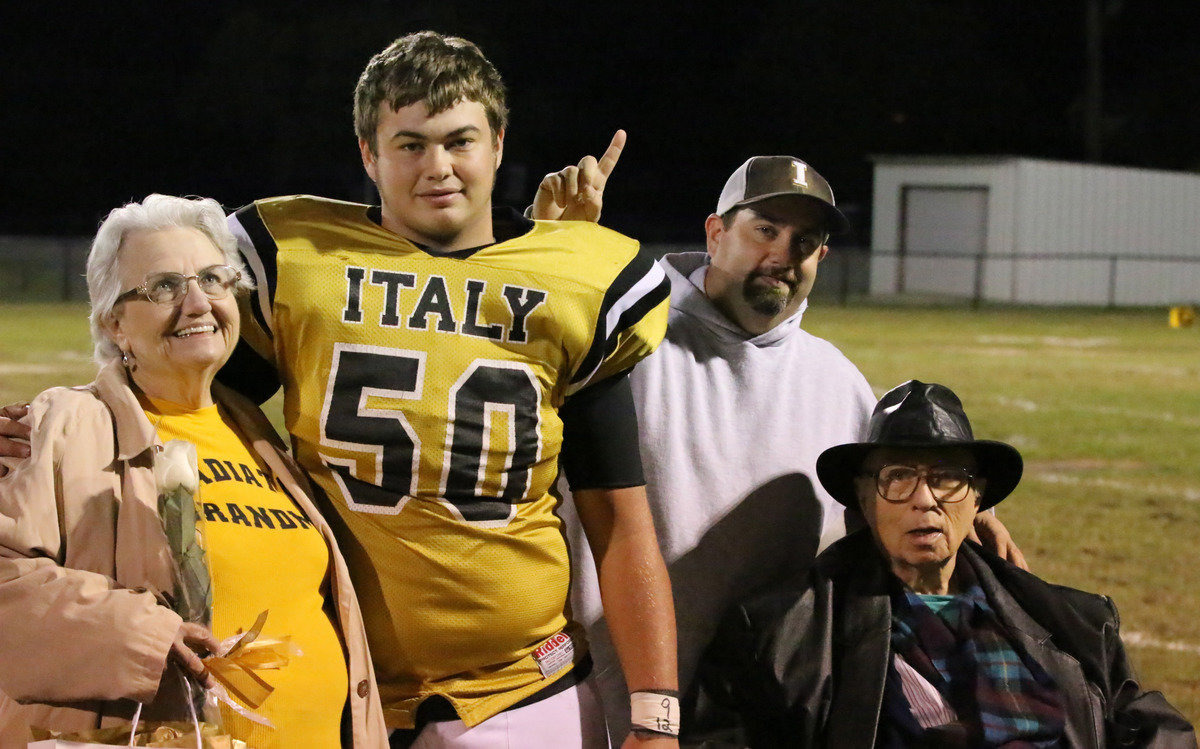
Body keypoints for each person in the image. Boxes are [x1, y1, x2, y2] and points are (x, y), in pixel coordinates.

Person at [219, 32, 677, 747]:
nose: (438, 167)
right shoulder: (300, 259)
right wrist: (60, 430)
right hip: (336, 674)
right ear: (368, 155)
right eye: (409, 144)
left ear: (497, 142)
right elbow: (188, 411)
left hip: (525, 683)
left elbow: (618, 517)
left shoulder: (571, 280)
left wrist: (656, 715)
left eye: (459, 140)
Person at [545, 154, 1025, 740]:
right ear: (716, 232)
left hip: (766, 706)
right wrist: (549, 246)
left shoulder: (834, 377)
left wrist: (977, 510)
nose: (783, 253)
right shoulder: (627, 341)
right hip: (616, 690)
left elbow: (892, 484)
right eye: (765, 230)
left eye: (806, 240)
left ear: (822, 257)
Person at [0, 194, 387, 747]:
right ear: (114, 322)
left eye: (213, 279)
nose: (198, 303)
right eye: (163, 287)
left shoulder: (259, 436)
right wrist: (143, 635)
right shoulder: (63, 424)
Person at [693, 380, 1196, 748]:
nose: (925, 500)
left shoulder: (1073, 621)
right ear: (864, 502)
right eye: (897, 477)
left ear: (977, 499)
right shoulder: (781, 635)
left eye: (947, 478)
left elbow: (1150, 725)